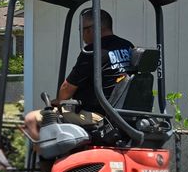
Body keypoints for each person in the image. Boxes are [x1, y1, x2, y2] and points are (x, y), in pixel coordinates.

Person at [23, 8, 134, 141]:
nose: (82, 35)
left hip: (97, 115)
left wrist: (58, 101)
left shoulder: (92, 51)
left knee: (31, 119)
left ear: (90, 29)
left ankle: (45, 161)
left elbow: (67, 89)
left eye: (82, 30)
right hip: (122, 114)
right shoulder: (128, 46)